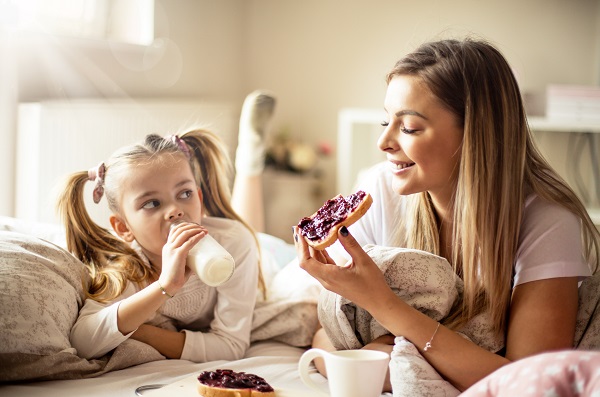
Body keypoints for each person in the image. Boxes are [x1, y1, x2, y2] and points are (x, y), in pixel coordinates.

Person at [292, 38, 600, 392]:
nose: (384, 142)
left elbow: (530, 381)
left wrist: (384, 306)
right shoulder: (380, 192)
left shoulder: (547, 220)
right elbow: (325, 339)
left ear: (474, 136)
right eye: (385, 121)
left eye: (408, 127)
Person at [57, 129, 266, 363]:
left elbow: (231, 346)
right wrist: (164, 286)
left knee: (256, 236)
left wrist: (140, 331)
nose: (175, 210)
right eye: (152, 203)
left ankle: (250, 165)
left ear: (200, 200)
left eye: (185, 193)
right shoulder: (129, 266)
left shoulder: (232, 244)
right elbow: (83, 342)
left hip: (255, 277)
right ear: (124, 228)